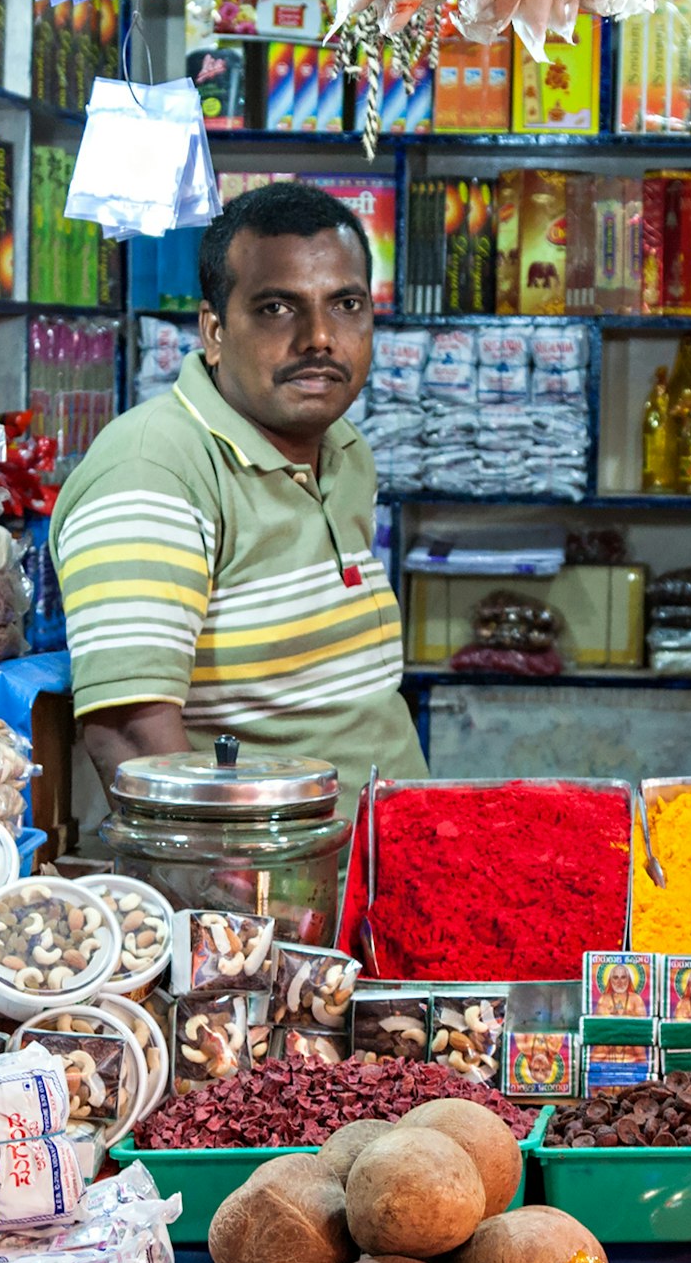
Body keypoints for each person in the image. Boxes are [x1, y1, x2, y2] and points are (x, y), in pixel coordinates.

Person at [49, 180, 424, 811]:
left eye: (346, 305)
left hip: (388, 860)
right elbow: (128, 731)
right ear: (215, 331)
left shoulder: (343, 450)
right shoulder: (153, 468)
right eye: (277, 308)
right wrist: (226, 901)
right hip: (273, 886)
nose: (319, 338)